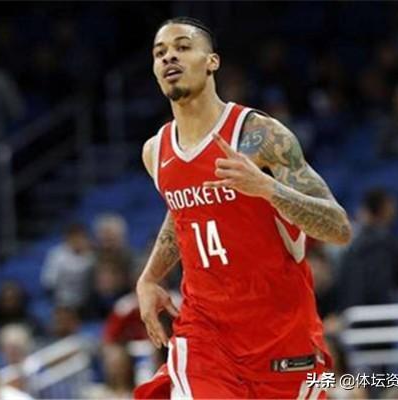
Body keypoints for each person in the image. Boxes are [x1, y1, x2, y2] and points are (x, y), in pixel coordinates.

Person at [135, 17, 352, 399]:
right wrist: (150, 277)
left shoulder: (259, 135)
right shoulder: (156, 151)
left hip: (281, 335)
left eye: (182, 47)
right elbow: (183, 211)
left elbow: (339, 228)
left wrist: (268, 189)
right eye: (160, 52)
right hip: (205, 336)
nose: (169, 57)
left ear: (212, 61)